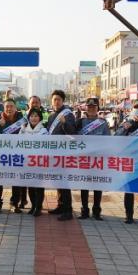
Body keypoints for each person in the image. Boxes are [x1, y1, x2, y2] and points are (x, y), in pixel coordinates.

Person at [76, 97, 111, 220]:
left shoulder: (103, 123)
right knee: (84, 185)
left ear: (97, 108)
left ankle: (96, 211)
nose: (91, 109)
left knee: (97, 185)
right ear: (86, 108)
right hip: (84, 159)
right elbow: (74, 138)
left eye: (93, 107)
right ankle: (84, 210)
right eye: (89, 107)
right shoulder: (80, 122)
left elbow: (108, 140)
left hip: (98, 159)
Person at [45, 90, 77, 221]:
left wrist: (64, 123)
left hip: (64, 154)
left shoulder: (68, 115)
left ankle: (68, 210)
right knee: (57, 180)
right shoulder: (51, 116)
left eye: (59, 99)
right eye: (54, 99)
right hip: (53, 153)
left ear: (63, 101)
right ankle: (60, 205)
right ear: (51, 101)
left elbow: (72, 133)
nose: (56, 102)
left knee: (64, 182)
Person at [0, 98, 27, 213]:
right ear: (4, 108)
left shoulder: (22, 121)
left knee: (16, 181)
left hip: (17, 155)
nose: (9, 108)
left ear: (15, 108)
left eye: (11, 106)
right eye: (7, 106)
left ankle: (14, 203)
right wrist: (0, 126)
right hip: (2, 156)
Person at [20, 107, 47, 216]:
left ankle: (38, 207)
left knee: (39, 186)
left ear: (40, 118)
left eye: (36, 116)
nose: (34, 118)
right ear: (28, 117)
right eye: (31, 116)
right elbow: (17, 143)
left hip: (39, 162)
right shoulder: (23, 130)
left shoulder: (44, 131)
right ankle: (33, 206)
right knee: (30, 185)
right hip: (27, 162)